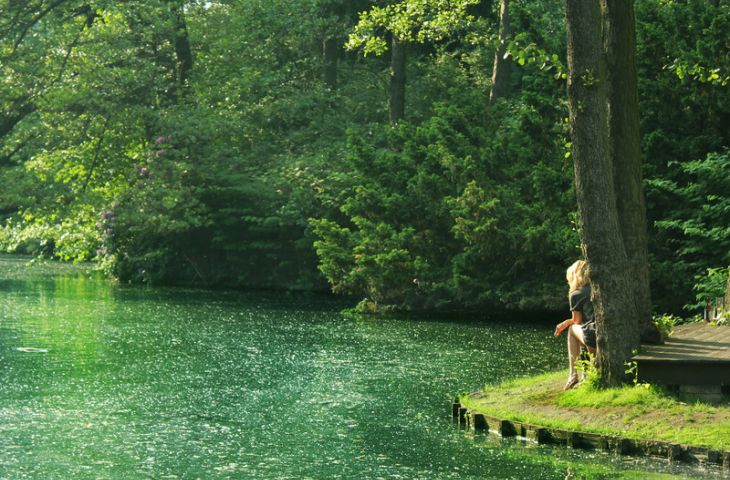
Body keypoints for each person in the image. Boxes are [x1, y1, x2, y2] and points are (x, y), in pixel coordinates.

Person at [554, 260, 597, 390]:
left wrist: (566, 323)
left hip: (594, 339)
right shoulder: (598, 288)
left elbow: (576, 321)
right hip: (611, 335)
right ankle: (586, 373)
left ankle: (573, 374)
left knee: (573, 329)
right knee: (583, 328)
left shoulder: (576, 294)